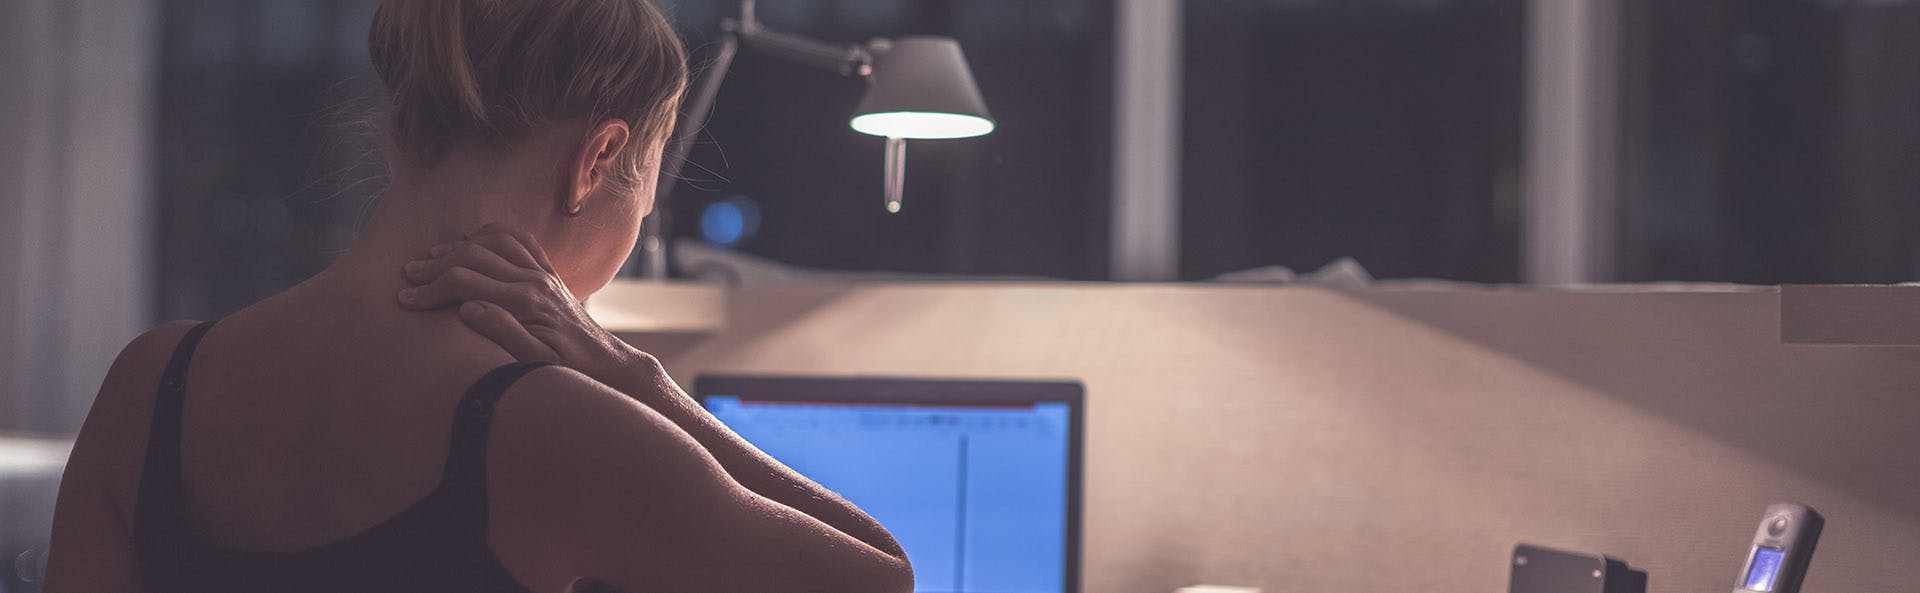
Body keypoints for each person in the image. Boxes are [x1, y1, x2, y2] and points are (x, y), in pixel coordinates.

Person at [44, 0, 914, 592]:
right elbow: (882, 577)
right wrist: (633, 376)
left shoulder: (149, 381)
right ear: (598, 159)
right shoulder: (559, 423)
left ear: (403, 129)